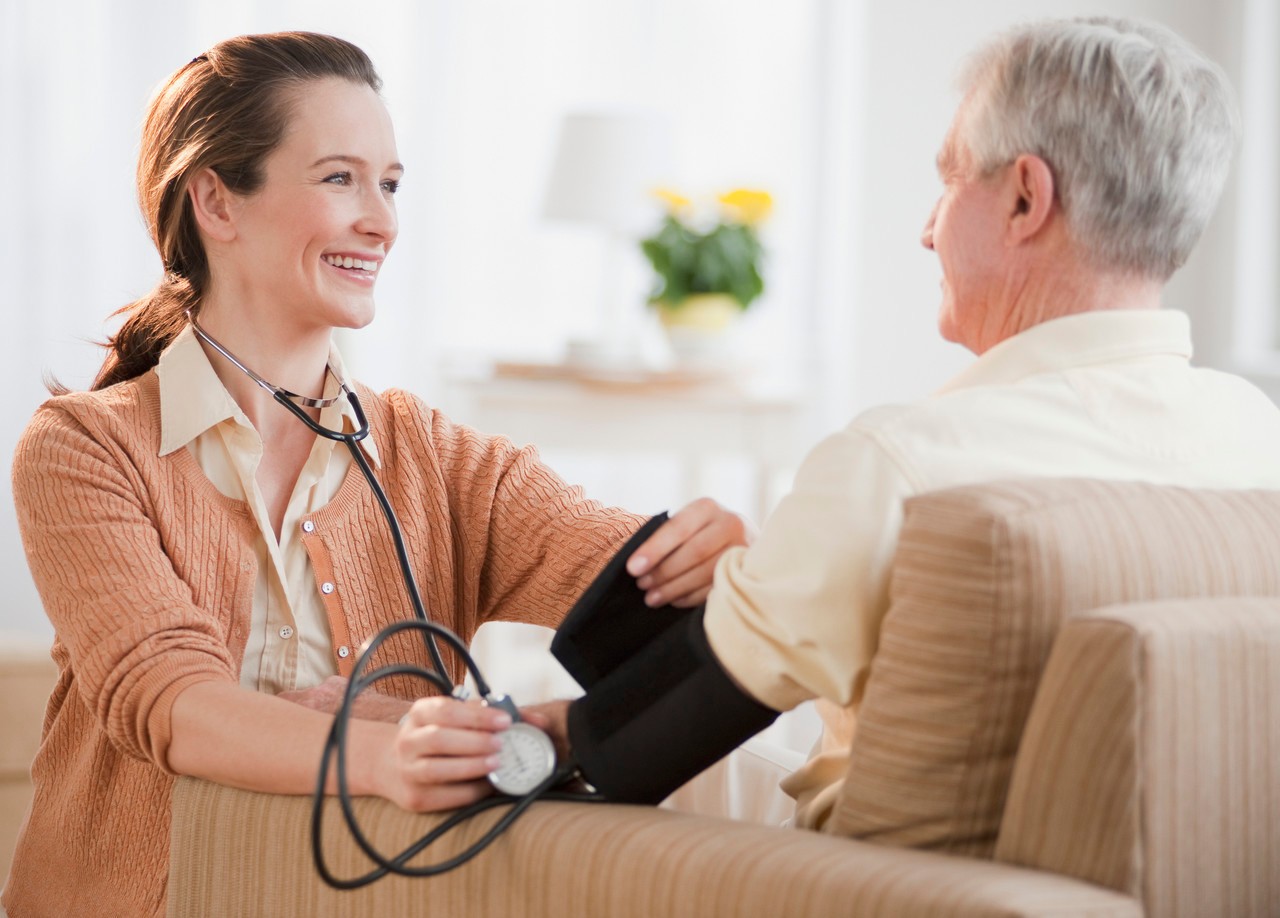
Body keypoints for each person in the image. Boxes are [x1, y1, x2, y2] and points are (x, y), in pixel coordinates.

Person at [1, 32, 748, 918]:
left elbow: (657, 602)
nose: (383, 222)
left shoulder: (440, 460)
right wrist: (388, 754)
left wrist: (717, 563)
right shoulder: (85, 449)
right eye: (338, 178)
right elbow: (172, 704)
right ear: (215, 200)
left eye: (390, 184)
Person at [545, 16, 1280, 827]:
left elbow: (625, 748)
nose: (927, 230)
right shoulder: (1257, 440)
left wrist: (501, 732)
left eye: (952, 179)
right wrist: (780, 570)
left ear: (1026, 198)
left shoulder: (901, 466)